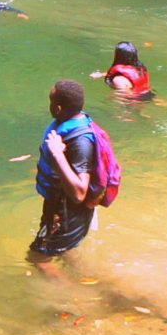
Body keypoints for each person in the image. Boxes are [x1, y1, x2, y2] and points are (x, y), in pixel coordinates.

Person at [23, 79, 101, 261]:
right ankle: (94, 282)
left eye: (51, 102)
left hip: (67, 211)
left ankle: (84, 291)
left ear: (58, 108)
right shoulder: (67, 124)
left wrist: (57, 154)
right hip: (59, 205)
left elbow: (80, 193)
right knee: (63, 251)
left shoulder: (81, 141)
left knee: (38, 259)